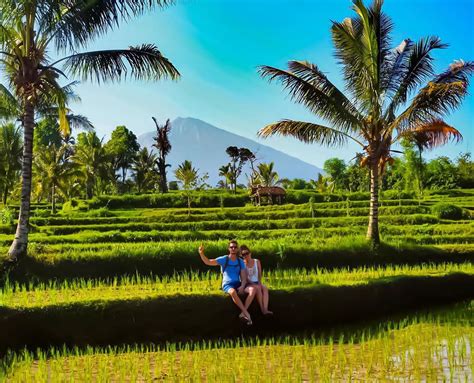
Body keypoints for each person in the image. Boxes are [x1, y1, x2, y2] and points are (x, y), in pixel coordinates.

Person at [198, 240, 258, 325]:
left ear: (237, 249)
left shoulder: (240, 261)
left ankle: (242, 314)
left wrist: (242, 286)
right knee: (233, 292)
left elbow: (244, 277)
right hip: (227, 284)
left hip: (238, 283)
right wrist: (201, 253)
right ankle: (246, 313)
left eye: (235, 247)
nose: (233, 248)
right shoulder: (224, 259)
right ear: (228, 249)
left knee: (253, 290)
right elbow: (208, 262)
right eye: (231, 247)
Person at [240, 244, 273, 315]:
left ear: (250, 253)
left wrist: (259, 282)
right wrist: (254, 284)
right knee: (257, 288)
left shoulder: (257, 261)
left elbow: (259, 274)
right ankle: (262, 309)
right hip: (248, 283)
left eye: (247, 253)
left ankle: (265, 308)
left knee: (264, 288)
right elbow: (245, 277)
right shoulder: (243, 264)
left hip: (257, 281)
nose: (245, 255)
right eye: (243, 254)